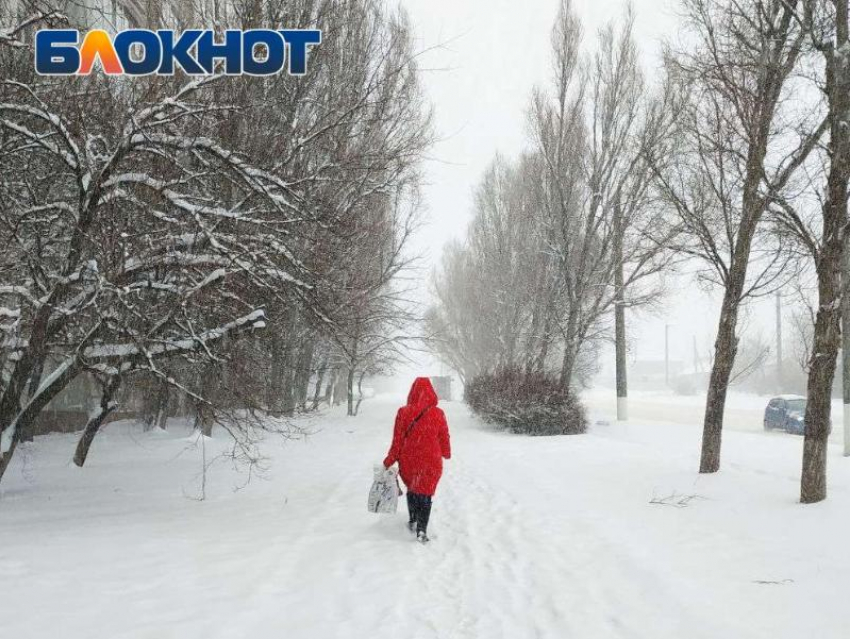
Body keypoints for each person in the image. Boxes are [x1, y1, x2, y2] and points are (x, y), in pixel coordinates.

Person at [383, 377, 451, 543]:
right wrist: (446, 452)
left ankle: (413, 519)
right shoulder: (438, 413)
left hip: (409, 460)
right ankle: (422, 529)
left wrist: (389, 460)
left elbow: (397, 440)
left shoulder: (403, 412)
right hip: (431, 460)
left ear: (412, 392)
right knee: (426, 493)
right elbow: (444, 437)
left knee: (413, 489)